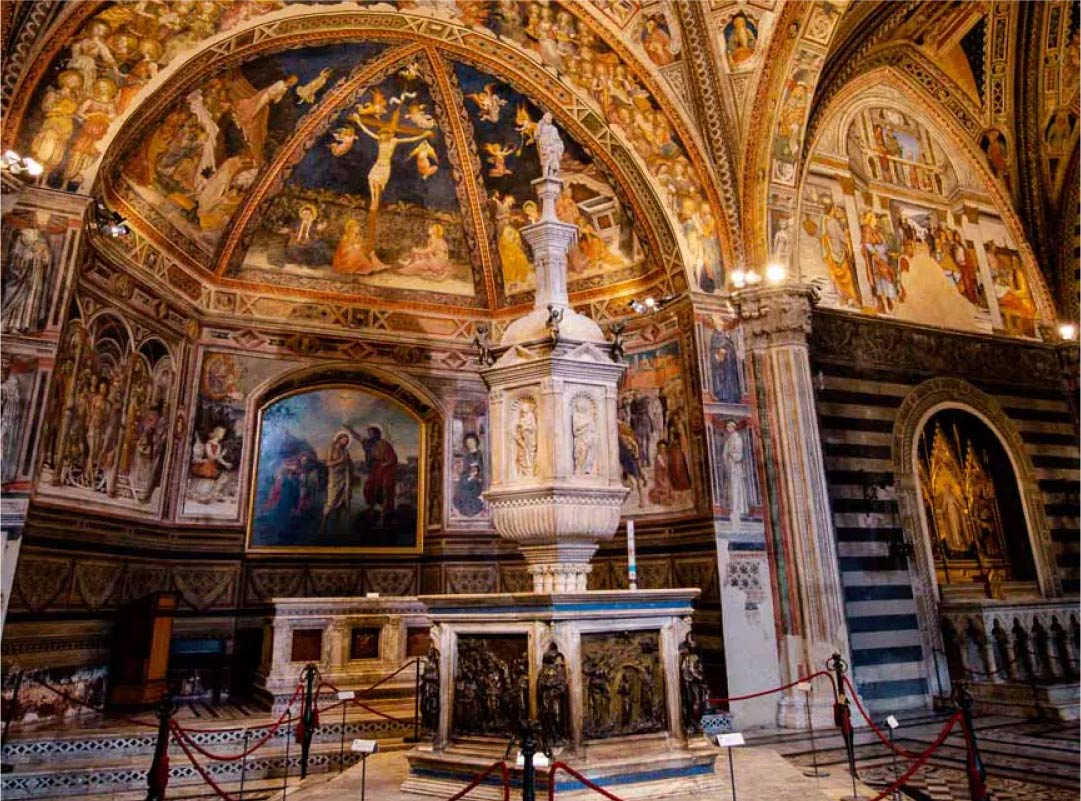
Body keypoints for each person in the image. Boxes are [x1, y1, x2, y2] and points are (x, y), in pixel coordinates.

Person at [358, 425, 398, 525]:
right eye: (369, 434)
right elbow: (360, 439)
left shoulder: (385, 444)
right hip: (375, 470)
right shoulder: (370, 445)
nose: (370, 436)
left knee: (385, 492)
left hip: (385, 471)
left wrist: (384, 464)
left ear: (377, 434)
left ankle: (382, 518)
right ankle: (371, 513)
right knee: (370, 489)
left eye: (372, 434)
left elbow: (393, 459)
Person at [320, 431, 353, 534]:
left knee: (342, 504)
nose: (346, 443)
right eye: (345, 440)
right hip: (334, 479)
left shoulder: (346, 451)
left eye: (347, 442)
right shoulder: (332, 448)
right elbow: (328, 463)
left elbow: (348, 466)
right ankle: (323, 526)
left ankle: (337, 528)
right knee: (330, 503)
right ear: (339, 439)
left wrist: (348, 482)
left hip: (344, 479)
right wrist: (340, 460)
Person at [453, 433, 485, 517]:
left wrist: (477, 474)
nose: (470, 444)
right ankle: (465, 508)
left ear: (476, 442)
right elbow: (465, 470)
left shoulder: (480, 454)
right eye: (468, 443)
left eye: (471, 442)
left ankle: (473, 506)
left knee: (468, 486)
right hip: (470, 476)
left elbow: (483, 468)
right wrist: (469, 475)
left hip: (479, 478)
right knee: (462, 483)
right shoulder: (467, 456)